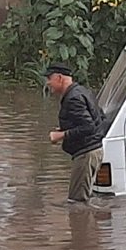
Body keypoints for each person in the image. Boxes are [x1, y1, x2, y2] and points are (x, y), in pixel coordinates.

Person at [45, 64, 106, 203]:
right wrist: (65, 129)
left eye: (49, 78)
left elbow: (88, 127)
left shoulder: (73, 98)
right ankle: (90, 224)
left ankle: (82, 224)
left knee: (77, 203)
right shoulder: (81, 91)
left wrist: (61, 135)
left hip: (86, 154)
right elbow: (99, 118)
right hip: (92, 150)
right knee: (83, 198)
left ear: (59, 77)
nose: (48, 83)